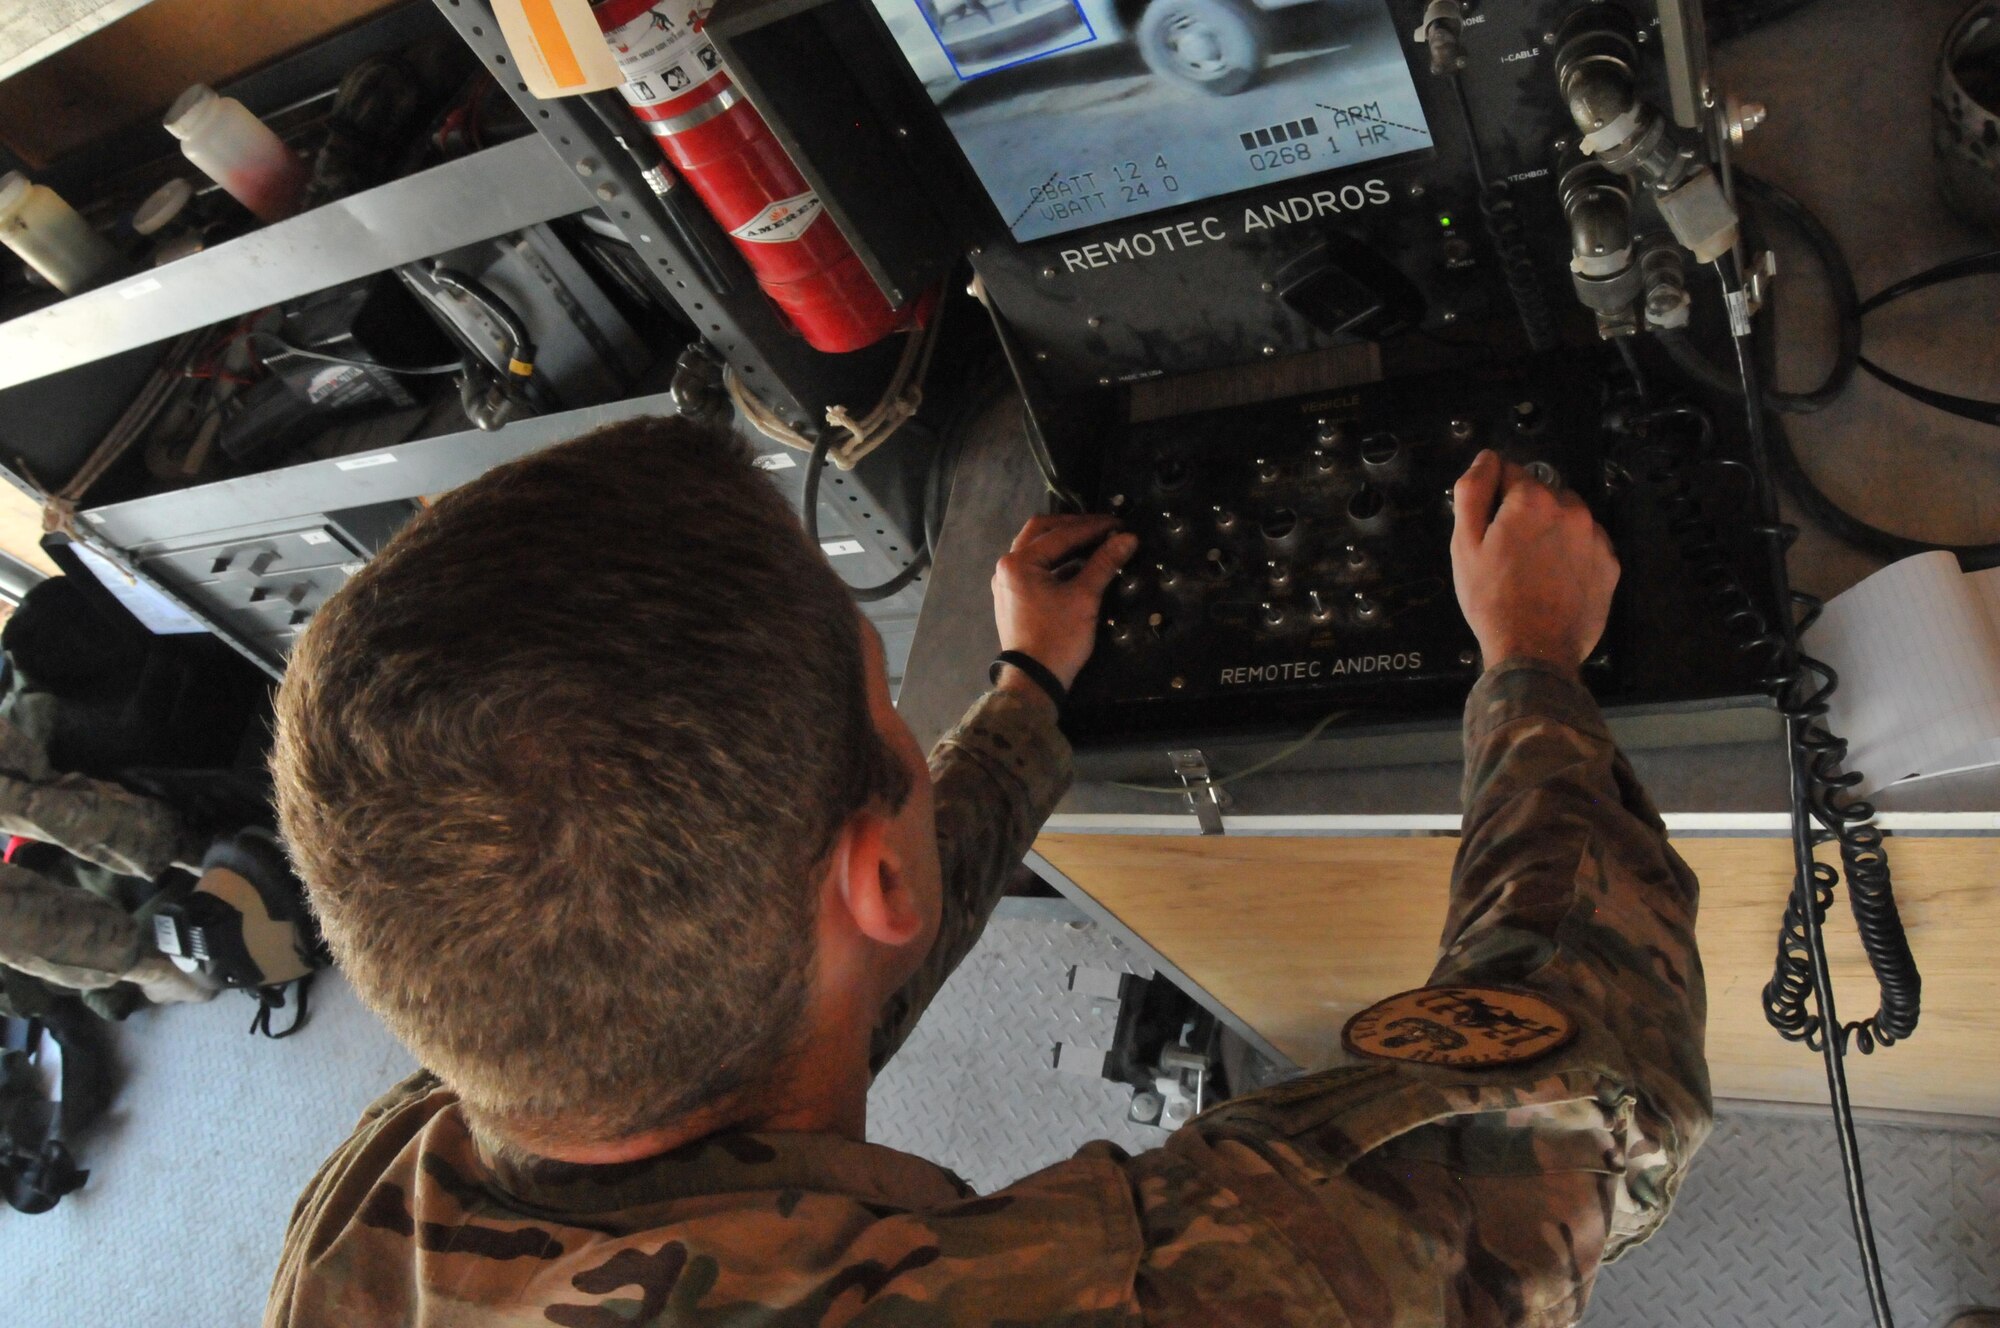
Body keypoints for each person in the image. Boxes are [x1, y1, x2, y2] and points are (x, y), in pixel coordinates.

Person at [266, 417, 1708, 1327]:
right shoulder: (1162, 1298)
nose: (904, 715)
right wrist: (1533, 656)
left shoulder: (380, 1207)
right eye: (885, 694)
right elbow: (1592, 1095)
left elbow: (788, 967)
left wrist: (1026, 690)